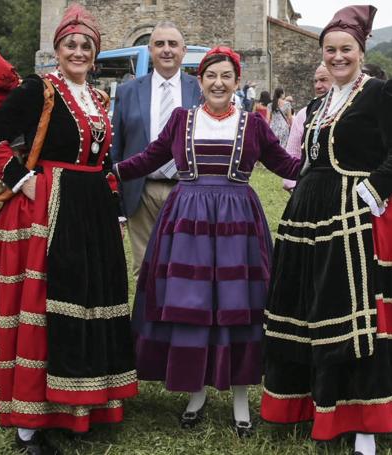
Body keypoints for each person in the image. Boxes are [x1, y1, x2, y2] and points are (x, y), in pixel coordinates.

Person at [261, 6, 392, 455]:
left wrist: (369, 193)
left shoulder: (382, 93)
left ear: (362, 51)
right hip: (309, 221)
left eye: (346, 50)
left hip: (356, 222)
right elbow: (310, 162)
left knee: (357, 321)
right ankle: (313, 405)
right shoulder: (318, 104)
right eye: (330, 50)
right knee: (311, 310)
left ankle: (365, 422)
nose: (338, 57)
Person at [113, 46, 301, 437]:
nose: (218, 83)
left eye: (226, 76)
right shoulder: (182, 119)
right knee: (190, 306)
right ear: (200, 82)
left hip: (238, 224)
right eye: (211, 76)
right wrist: (107, 172)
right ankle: (195, 393)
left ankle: (240, 400)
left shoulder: (253, 125)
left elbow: (286, 164)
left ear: (237, 83)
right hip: (187, 224)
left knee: (239, 307)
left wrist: (327, 163)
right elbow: (147, 158)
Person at [0, 5, 138, 453]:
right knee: (46, 311)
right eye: (71, 44)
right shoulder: (39, 89)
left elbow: (103, 163)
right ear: (58, 48)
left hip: (93, 215)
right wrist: (21, 181)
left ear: (96, 52)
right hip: (49, 209)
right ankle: (31, 424)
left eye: (87, 45)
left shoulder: (101, 100)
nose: (79, 51)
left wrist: (115, 209)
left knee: (88, 302)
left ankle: (78, 407)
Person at [112, 21, 201, 277]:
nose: (166, 50)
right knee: (145, 267)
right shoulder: (128, 91)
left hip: (186, 190)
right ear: (150, 50)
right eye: (160, 44)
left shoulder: (199, 89)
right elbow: (117, 148)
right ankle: (144, 318)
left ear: (184, 51)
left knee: (183, 266)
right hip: (140, 192)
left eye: (173, 44)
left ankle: (177, 317)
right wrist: (117, 196)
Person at [282, 63, 333, 192]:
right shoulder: (303, 114)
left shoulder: (350, 111)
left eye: (323, 80)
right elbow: (293, 152)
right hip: (309, 189)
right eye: (315, 81)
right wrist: (292, 185)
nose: (317, 86)